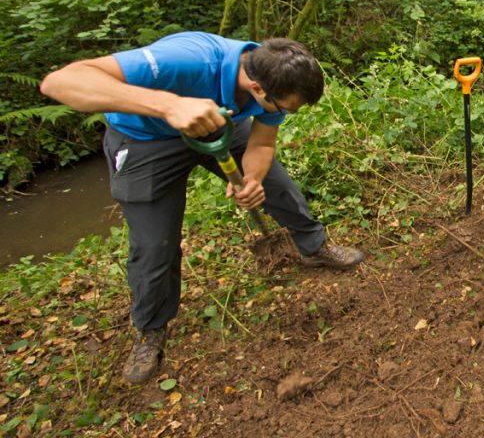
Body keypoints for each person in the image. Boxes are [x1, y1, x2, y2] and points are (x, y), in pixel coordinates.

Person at [40, 31, 365, 385]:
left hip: (218, 125)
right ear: (258, 89)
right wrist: (168, 105)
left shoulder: (272, 79)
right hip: (146, 140)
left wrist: (251, 179)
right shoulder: (184, 60)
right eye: (284, 108)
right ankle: (151, 329)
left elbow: (262, 141)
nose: (285, 113)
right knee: (154, 244)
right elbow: (60, 82)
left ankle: (314, 247)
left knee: (278, 187)